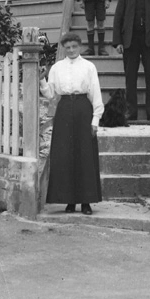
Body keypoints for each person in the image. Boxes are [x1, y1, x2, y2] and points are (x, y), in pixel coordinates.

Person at [42, 32, 104, 215]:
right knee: (64, 154)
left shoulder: (89, 67)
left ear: (79, 46)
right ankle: (68, 201)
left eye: (74, 47)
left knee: (85, 155)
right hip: (64, 109)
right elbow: (51, 94)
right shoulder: (56, 68)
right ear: (64, 48)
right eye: (67, 47)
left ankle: (86, 202)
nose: (70, 50)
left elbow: (95, 93)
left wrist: (95, 119)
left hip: (84, 109)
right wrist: (41, 79)